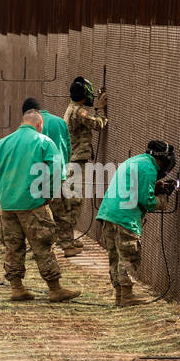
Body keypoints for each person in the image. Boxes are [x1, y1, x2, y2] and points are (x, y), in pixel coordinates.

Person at [0, 109, 81, 303]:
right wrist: (50, 195)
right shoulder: (44, 142)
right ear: (39, 125)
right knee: (43, 245)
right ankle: (55, 289)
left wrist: (1, 195)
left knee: (13, 247)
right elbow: (57, 170)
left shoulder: (3, 143)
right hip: (33, 204)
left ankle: (17, 288)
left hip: (8, 205)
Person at [96, 139, 177, 305]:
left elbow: (133, 186)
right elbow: (147, 201)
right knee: (129, 256)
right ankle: (127, 296)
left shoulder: (135, 160)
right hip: (125, 216)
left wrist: (156, 187)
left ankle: (120, 295)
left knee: (115, 257)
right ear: (163, 159)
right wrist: (162, 198)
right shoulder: (149, 168)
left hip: (108, 213)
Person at [60, 76, 107, 253]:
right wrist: (100, 109)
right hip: (74, 164)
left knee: (71, 203)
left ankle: (67, 239)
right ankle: (67, 244)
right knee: (73, 203)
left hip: (72, 162)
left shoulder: (72, 108)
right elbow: (99, 124)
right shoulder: (78, 111)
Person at [21, 96, 75, 252]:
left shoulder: (29, 125)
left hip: (37, 175)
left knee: (38, 212)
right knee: (62, 212)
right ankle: (68, 245)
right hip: (59, 172)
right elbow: (68, 146)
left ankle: (40, 246)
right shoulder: (59, 121)